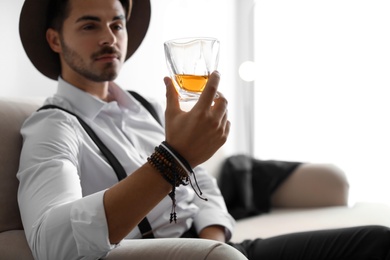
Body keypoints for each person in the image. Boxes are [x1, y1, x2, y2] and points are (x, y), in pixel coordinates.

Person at [16, 0, 390, 259]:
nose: (110, 37)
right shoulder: (53, 126)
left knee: (376, 242)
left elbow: (201, 183)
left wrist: (213, 244)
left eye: (117, 23)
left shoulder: (147, 108)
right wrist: (172, 159)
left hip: (217, 251)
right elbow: (52, 243)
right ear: (54, 40)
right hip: (165, 257)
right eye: (89, 24)